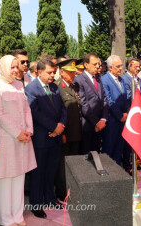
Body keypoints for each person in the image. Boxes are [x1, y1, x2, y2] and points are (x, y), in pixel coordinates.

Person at [0, 55, 37, 226]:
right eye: (12, 67)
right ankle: (7, 219)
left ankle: (18, 216)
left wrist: (29, 130)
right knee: (5, 180)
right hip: (6, 140)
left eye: (17, 67)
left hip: (23, 139)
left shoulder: (19, 85)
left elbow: (26, 110)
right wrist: (17, 133)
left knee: (19, 178)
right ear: (3, 67)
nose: (16, 70)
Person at [25, 59, 67, 219]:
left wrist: (61, 125)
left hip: (55, 137)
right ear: (38, 72)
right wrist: (53, 127)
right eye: (49, 72)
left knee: (51, 171)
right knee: (39, 172)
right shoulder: (31, 89)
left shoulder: (55, 86)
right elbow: (34, 112)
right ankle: (36, 204)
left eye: (53, 72)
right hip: (41, 138)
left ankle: (50, 198)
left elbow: (63, 108)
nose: (52, 75)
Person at [54, 58, 82, 201]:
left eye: (74, 72)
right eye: (70, 73)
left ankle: (72, 190)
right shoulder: (58, 87)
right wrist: (63, 133)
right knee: (63, 166)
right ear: (62, 72)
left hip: (76, 133)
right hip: (66, 134)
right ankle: (62, 193)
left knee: (74, 164)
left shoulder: (73, 87)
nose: (73, 75)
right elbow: (58, 112)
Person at [73, 54, 108, 154]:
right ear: (86, 65)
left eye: (99, 64)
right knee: (87, 154)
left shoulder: (98, 78)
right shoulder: (79, 80)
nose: (98, 66)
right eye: (95, 64)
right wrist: (96, 122)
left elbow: (104, 99)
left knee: (97, 152)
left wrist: (103, 119)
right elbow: (83, 104)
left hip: (100, 124)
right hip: (88, 125)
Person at [101, 55, 128, 167]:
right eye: (118, 66)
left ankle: (118, 170)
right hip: (112, 120)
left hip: (122, 120)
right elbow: (109, 101)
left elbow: (125, 98)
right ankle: (109, 171)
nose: (120, 68)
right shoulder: (104, 80)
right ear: (110, 67)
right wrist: (120, 115)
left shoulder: (121, 79)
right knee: (109, 147)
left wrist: (126, 113)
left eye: (121, 66)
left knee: (119, 147)